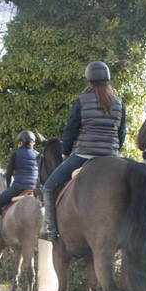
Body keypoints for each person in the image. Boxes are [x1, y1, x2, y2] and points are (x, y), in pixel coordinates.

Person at [38, 61, 126, 241]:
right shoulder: (118, 103)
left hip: (84, 154)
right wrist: (114, 151)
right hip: (110, 157)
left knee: (48, 187)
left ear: (89, 80)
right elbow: (122, 132)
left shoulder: (81, 100)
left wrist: (65, 152)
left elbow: (71, 129)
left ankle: (51, 229)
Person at [0, 131, 41, 239]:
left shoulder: (16, 154)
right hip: (34, 189)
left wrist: (7, 187)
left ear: (21, 142)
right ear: (32, 143)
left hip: (18, 187)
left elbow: (8, 175)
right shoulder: (37, 155)